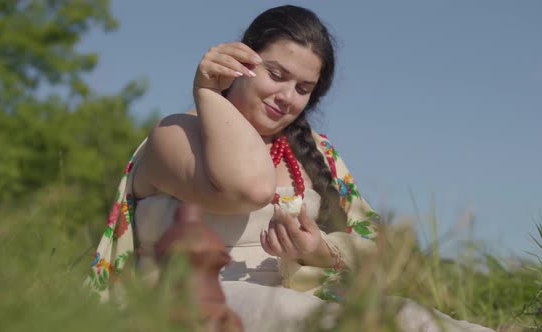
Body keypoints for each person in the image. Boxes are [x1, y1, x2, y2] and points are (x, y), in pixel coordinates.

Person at [86, 5, 495, 332]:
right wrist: (207, 91)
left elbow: (376, 245)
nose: (286, 97)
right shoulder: (175, 134)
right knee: (301, 316)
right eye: (276, 75)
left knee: (412, 318)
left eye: (303, 89)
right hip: (190, 305)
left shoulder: (315, 153)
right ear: (242, 59)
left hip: (296, 299)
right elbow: (247, 187)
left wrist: (321, 250)